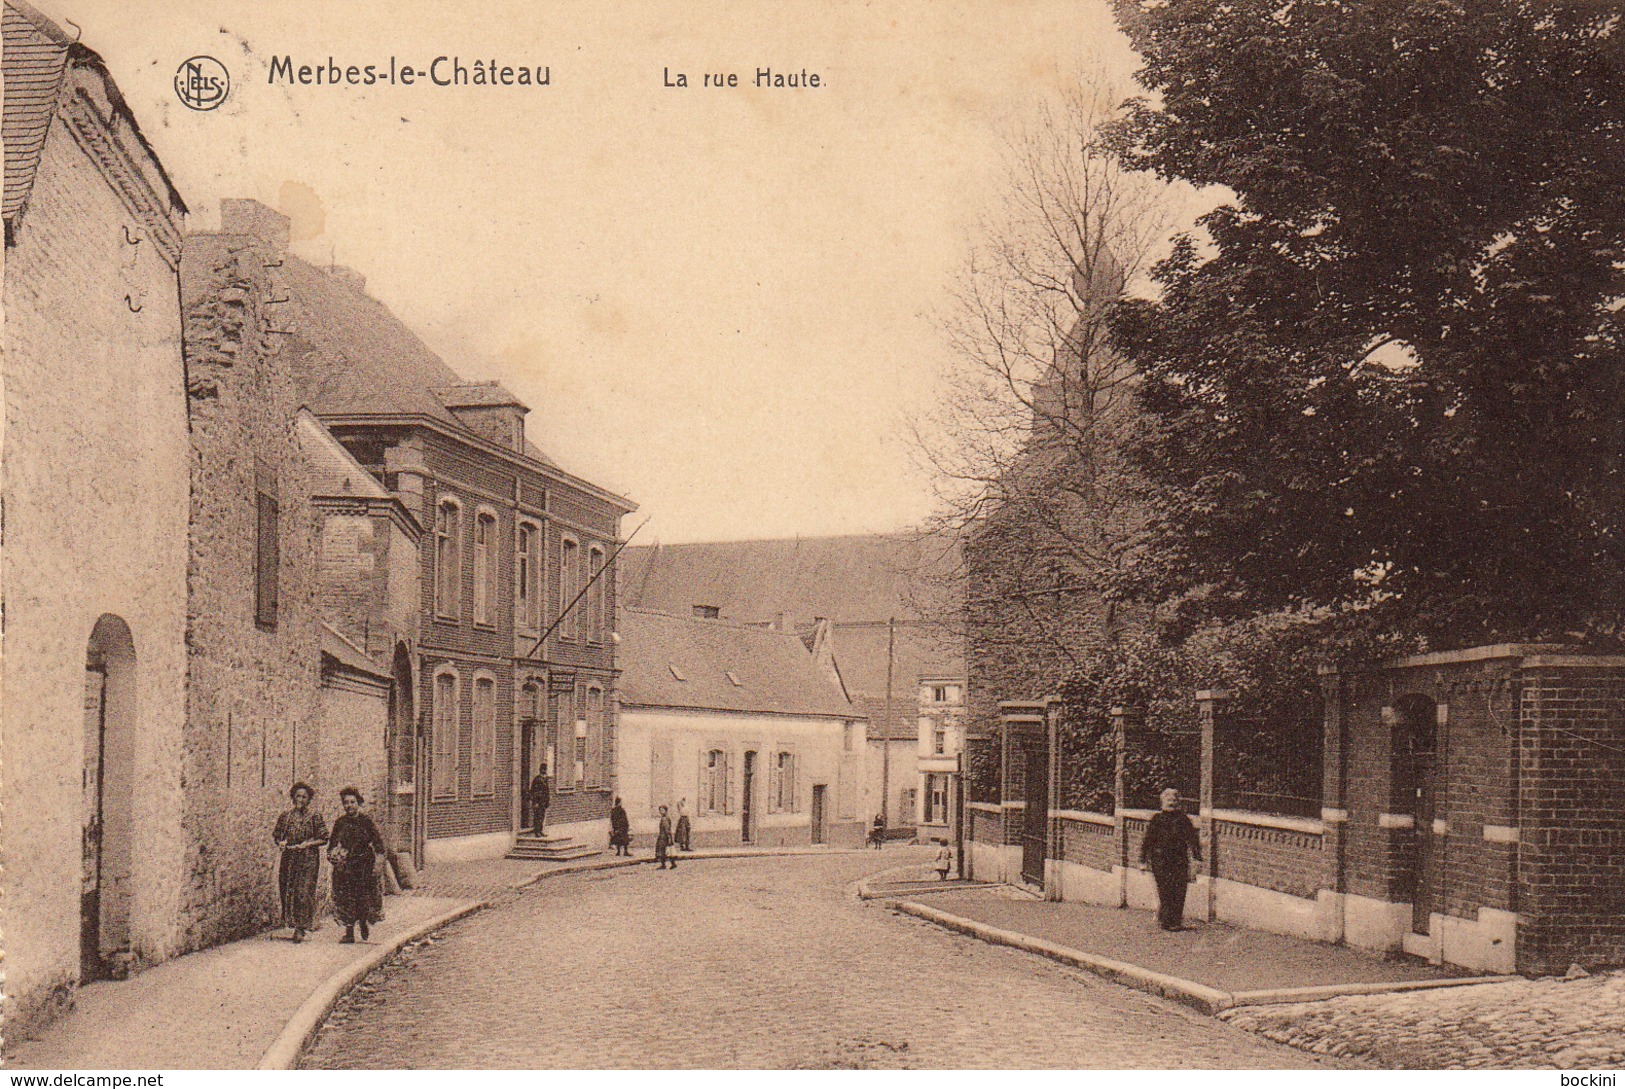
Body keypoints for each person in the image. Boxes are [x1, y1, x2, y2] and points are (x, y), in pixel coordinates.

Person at [328, 787, 386, 943]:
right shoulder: (340, 823)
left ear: (358, 803)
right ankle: (349, 932)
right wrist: (334, 855)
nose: (349, 806)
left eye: (352, 802)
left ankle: (363, 922)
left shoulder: (366, 822)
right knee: (346, 898)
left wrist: (378, 864)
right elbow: (332, 844)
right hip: (346, 866)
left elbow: (379, 844)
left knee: (363, 896)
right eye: (346, 803)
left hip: (364, 864)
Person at [1140, 787, 1202, 931]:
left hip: (1179, 860)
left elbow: (1192, 839)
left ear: (1178, 802)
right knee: (1165, 889)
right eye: (1168, 800)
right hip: (1160, 860)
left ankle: (1175, 920)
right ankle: (1168, 922)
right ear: (1163, 801)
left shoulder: (1183, 819)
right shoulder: (1157, 819)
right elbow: (1148, 841)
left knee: (1180, 889)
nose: (1171, 803)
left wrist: (1197, 857)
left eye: (1174, 800)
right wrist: (1142, 860)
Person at [272, 782, 327, 943]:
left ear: (309, 799)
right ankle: (292, 922)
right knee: (289, 891)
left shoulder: (314, 816)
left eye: (304, 797)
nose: (301, 800)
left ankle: (301, 928)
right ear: (293, 797)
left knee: (303, 892)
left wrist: (308, 844)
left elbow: (324, 837)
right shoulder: (286, 817)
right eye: (298, 796)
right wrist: (280, 842)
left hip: (308, 859)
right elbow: (277, 834)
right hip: (289, 858)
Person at [528, 765, 550, 836]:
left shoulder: (545, 779)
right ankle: (536, 831)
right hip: (538, 801)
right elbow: (533, 792)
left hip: (543, 801)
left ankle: (540, 830)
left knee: (542, 816)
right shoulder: (537, 779)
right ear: (540, 770)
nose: (544, 771)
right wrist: (535, 802)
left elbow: (547, 792)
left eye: (545, 770)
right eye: (543, 770)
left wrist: (547, 801)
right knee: (537, 816)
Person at [655, 804, 677, 870]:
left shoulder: (665, 819)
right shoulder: (665, 818)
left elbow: (667, 829)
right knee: (667, 850)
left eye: (662, 810)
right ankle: (672, 863)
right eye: (660, 810)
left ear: (666, 810)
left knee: (663, 850)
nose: (661, 812)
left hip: (664, 837)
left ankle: (664, 865)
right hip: (663, 836)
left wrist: (669, 837)